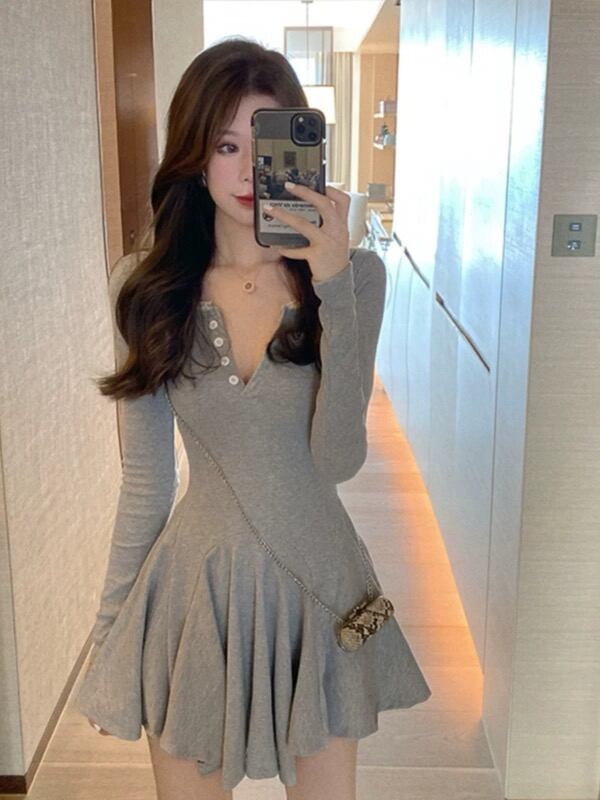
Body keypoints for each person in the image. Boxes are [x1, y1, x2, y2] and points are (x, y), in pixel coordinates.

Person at [75, 36, 431, 800]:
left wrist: (332, 284)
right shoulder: (145, 288)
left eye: (262, 144)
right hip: (193, 598)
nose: (244, 172)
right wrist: (109, 640)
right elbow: (146, 483)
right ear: (194, 157)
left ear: (297, 152)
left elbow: (337, 459)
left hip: (317, 590)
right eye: (224, 144)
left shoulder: (357, 278)